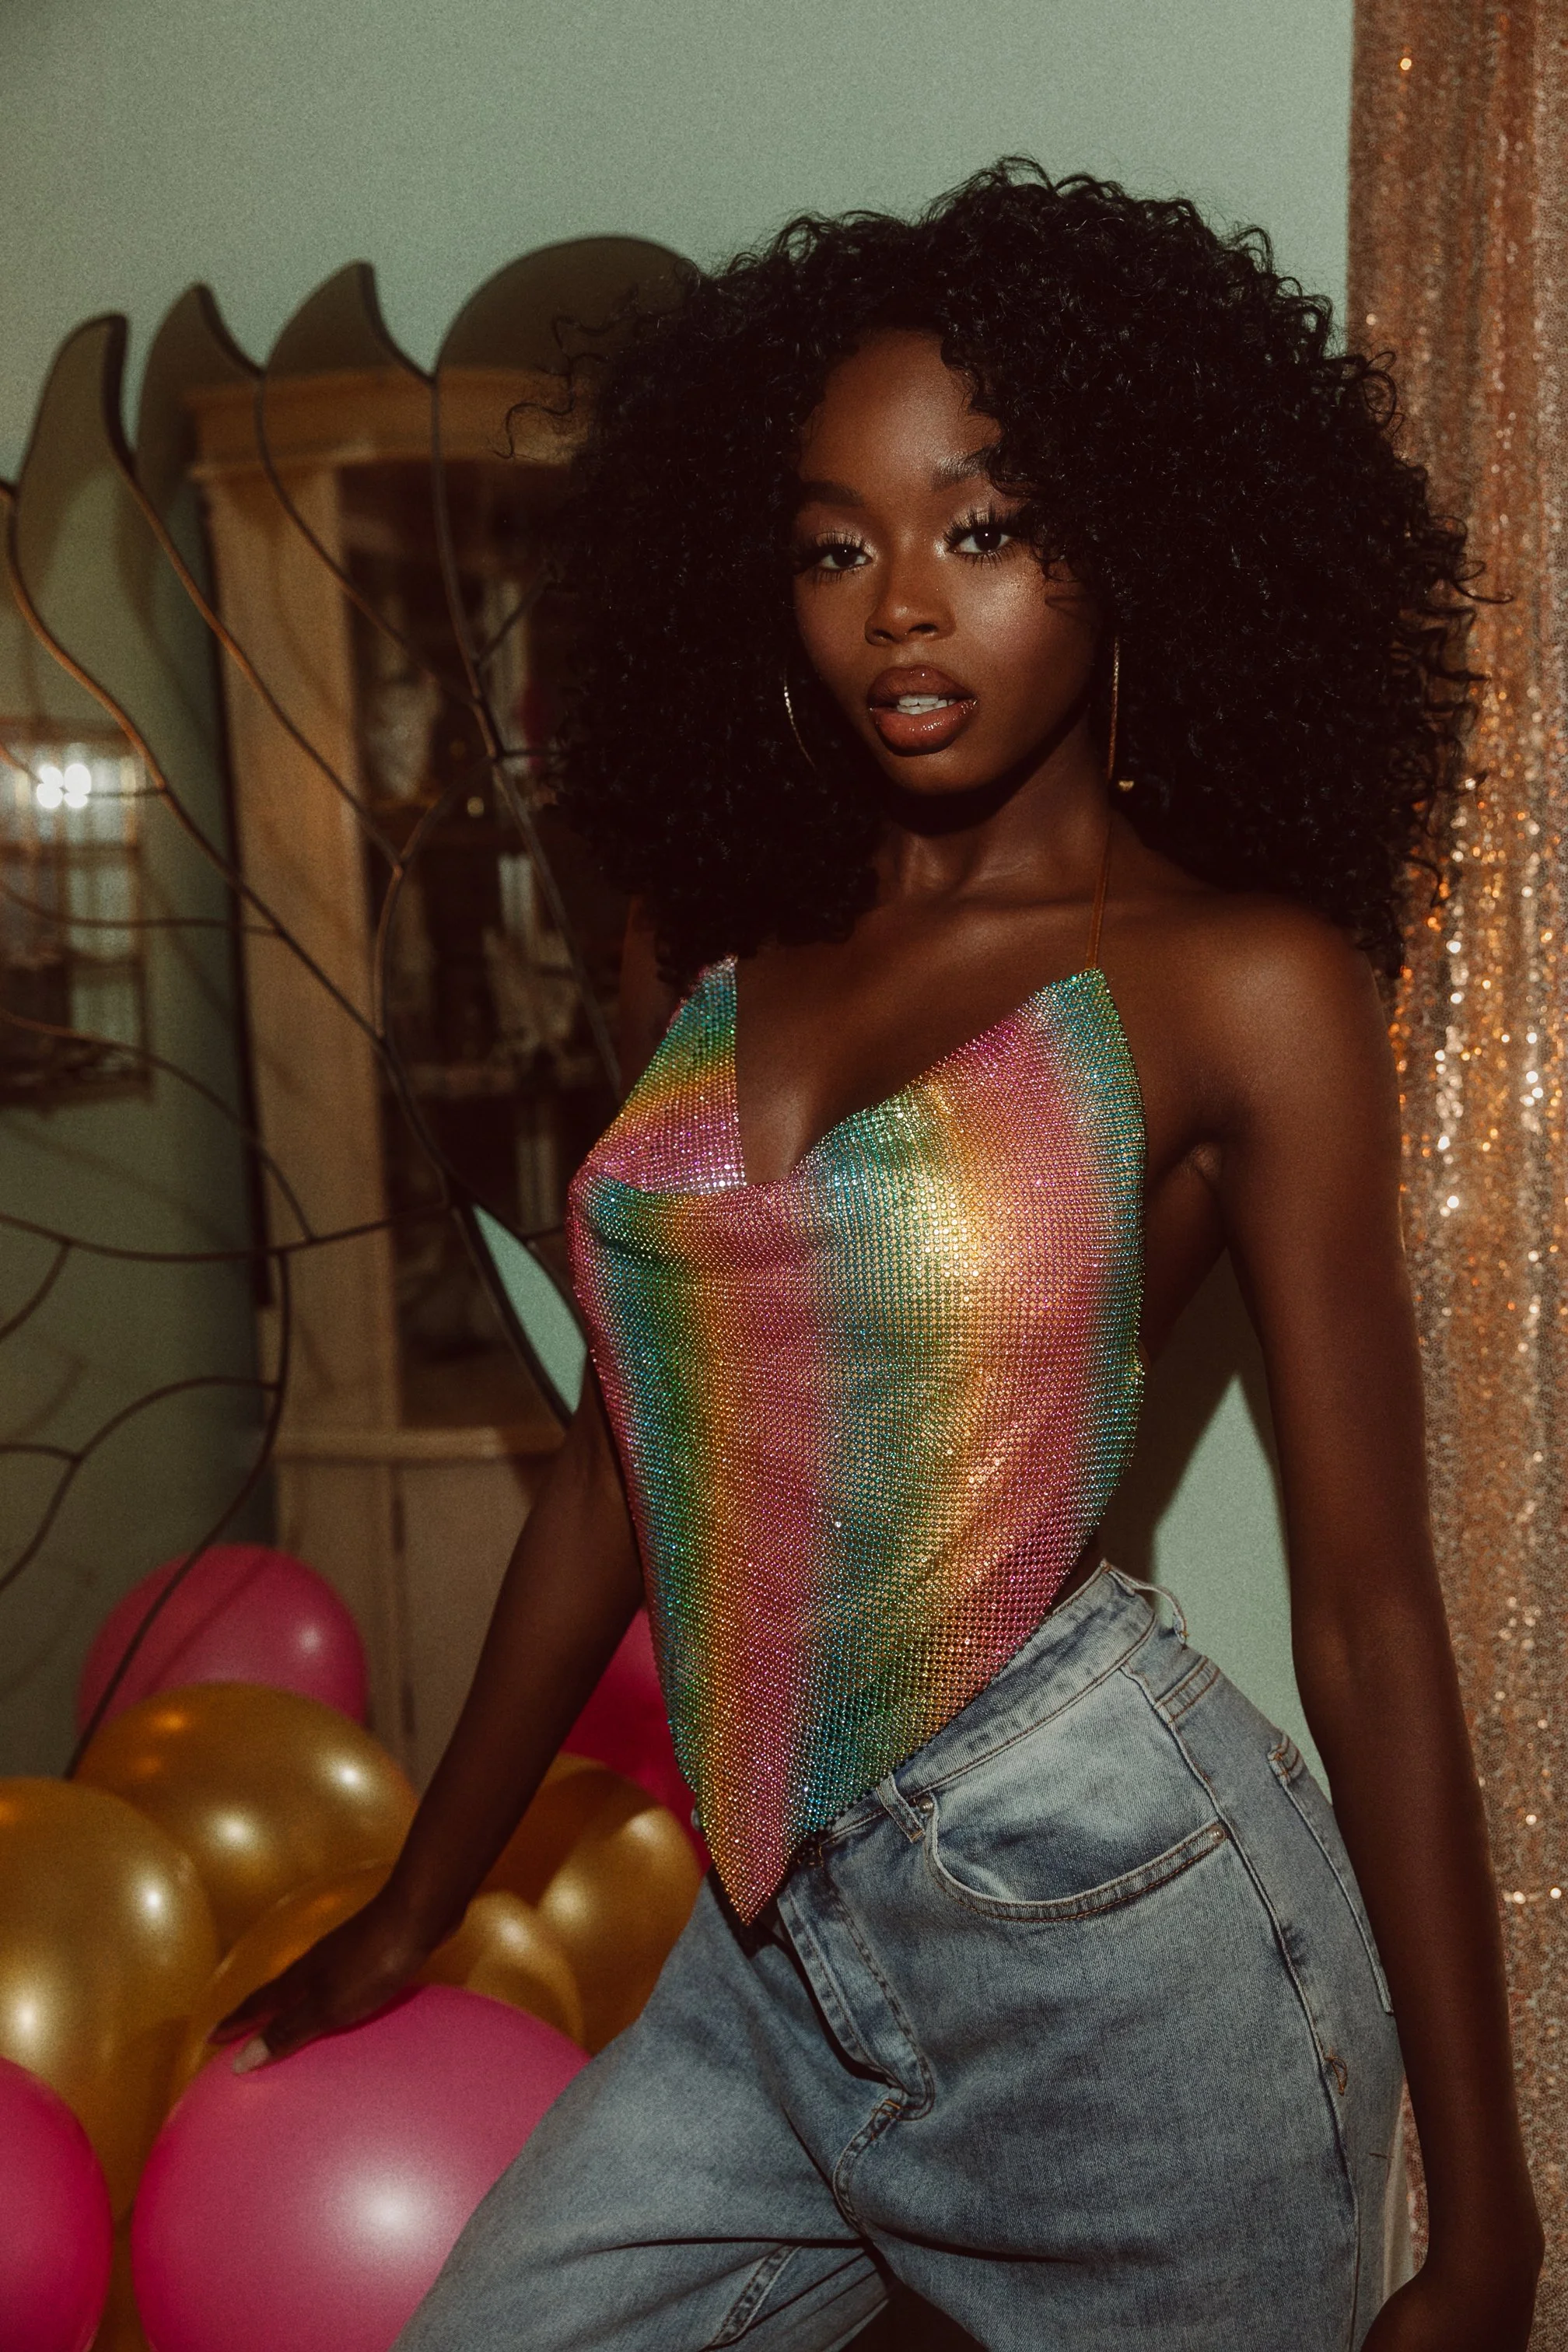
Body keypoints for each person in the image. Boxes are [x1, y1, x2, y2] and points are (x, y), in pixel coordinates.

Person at [215, 164, 1542, 2348]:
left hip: (1123, 1935)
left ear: (1130, 543)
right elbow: (617, 1470)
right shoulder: (718, 955)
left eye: (982, 529)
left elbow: (1372, 1608)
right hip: (771, 1964)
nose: (899, 611)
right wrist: (419, 1903)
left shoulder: (1245, 985)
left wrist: (1487, 2223)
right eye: (836, 546)